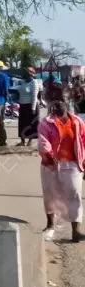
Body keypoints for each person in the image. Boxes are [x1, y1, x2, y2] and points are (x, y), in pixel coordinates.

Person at [38, 98, 85, 242]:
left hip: (72, 164)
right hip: (51, 165)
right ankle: (50, 225)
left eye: (61, 103)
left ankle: (75, 230)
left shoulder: (77, 122)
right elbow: (42, 140)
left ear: (67, 106)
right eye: (55, 103)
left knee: (74, 194)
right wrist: (48, 154)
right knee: (50, 195)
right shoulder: (46, 123)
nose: (58, 105)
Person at [17, 66, 40, 146]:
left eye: (28, 73)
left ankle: (30, 141)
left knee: (31, 124)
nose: (26, 74)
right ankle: (22, 141)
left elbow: (34, 96)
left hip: (31, 106)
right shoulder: (23, 82)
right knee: (22, 124)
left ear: (31, 74)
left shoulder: (34, 82)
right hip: (22, 106)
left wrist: (33, 108)